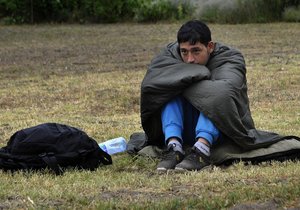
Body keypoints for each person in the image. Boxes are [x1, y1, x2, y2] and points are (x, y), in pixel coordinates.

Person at [139, 19, 296, 172]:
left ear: (210, 46)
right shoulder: (170, 55)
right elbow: (151, 84)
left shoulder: (231, 58)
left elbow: (223, 92)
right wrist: (195, 76)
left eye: (196, 51)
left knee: (215, 96)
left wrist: (184, 79)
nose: (189, 60)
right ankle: (174, 147)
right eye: (184, 52)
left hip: (222, 127)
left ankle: (201, 150)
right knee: (168, 90)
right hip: (185, 126)